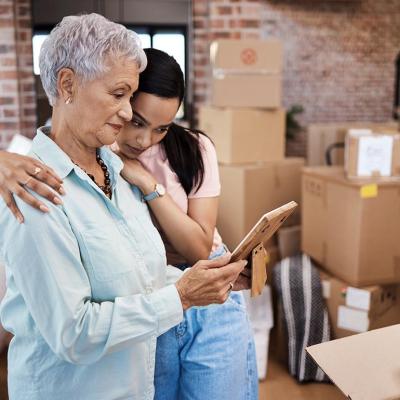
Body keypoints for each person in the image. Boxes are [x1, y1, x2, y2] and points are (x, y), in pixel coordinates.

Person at [0, 14, 246, 400]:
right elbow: (74, 333)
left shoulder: (116, 172)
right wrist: (181, 295)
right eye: (118, 94)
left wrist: (204, 278)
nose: (129, 113)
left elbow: (136, 274)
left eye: (131, 96)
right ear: (67, 85)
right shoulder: (35, 189)